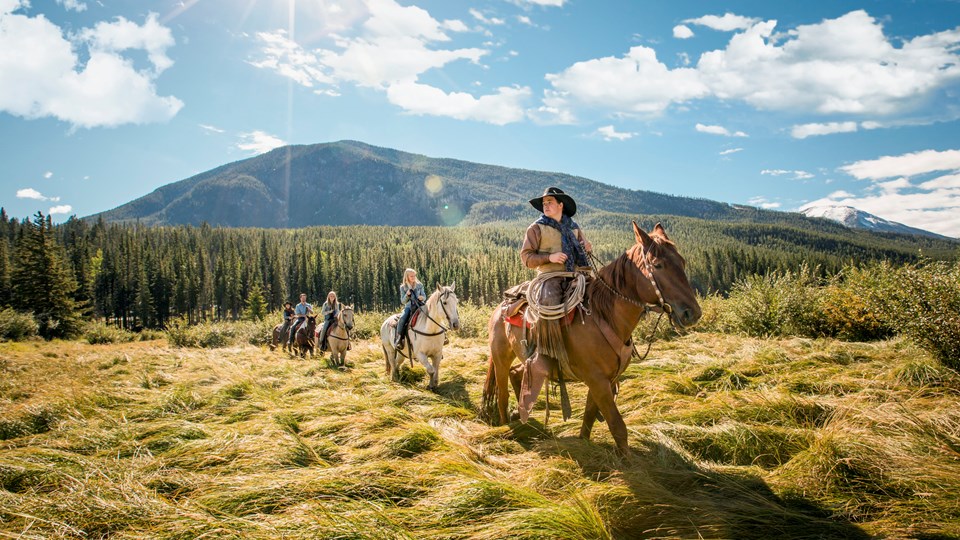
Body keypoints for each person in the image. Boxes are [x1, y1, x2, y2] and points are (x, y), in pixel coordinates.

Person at [517, 186, 592, 422]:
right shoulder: (536, 227)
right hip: (549, 277)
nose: (545, 206)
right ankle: (546, 353)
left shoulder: (574, 228)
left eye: (550, 202)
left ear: (561, 205)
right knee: (549, 304)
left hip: (578, 275)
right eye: (544, 203)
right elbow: (526, 258)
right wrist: (549, 258)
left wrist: (588, 247)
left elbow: (584, 250)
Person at [394, 268, 426, 350]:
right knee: (402, 319)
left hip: (420, 306)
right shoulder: (403, 287)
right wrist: (407, 295)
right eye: (411, 276)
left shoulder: (420, 285)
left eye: (414, 276)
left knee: (433, 314)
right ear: (407, 277)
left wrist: (422, 297)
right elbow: (403, 301)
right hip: (409, 307)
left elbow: (424, 296)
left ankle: (442, 337)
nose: (413, 277)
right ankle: (399, 339)